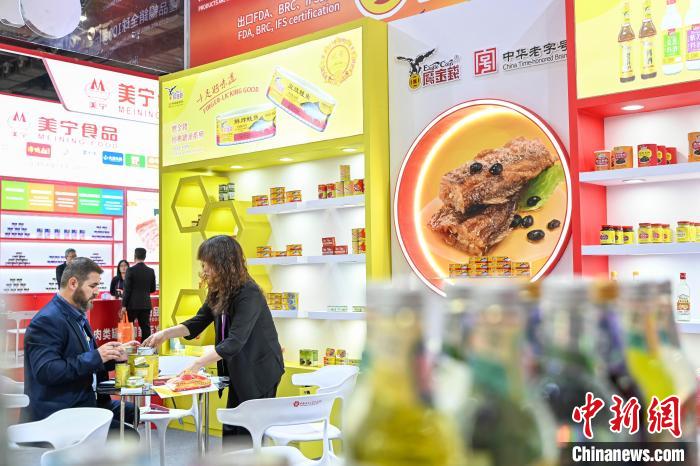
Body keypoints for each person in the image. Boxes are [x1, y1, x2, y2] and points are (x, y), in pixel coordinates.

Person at [143, 235, 284, 444]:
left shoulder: (249, 293)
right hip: (239, 367)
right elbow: (198, 321)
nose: (204, 270)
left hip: (259, 369)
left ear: (222, 263)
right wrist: (164, 334)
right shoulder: (220, 290)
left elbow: (235, 341)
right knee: (233, 427)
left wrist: (197, 364)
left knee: (248, 431)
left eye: (206, 264)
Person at [23, 257, 139, 434]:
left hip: (86, 401)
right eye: (93, 286)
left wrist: (114, 356)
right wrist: (97, 356)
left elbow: (83, 357)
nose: (97, 292)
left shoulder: (76, 315)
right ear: (73, 283)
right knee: (128, 436)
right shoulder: (47, 320)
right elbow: (47, 371)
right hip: (61, 412)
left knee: (132, 412)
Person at [120, 248, 156, 341]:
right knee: (145, 328)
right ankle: (145, 347)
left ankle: (130, 346)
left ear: (135, 256)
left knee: (129, 327)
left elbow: (127, 290)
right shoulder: (151, 271)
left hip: (132, 305)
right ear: (145, 257)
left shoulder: (130, 270)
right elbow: (153, 289)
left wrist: (123, 305)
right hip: (146, 304)